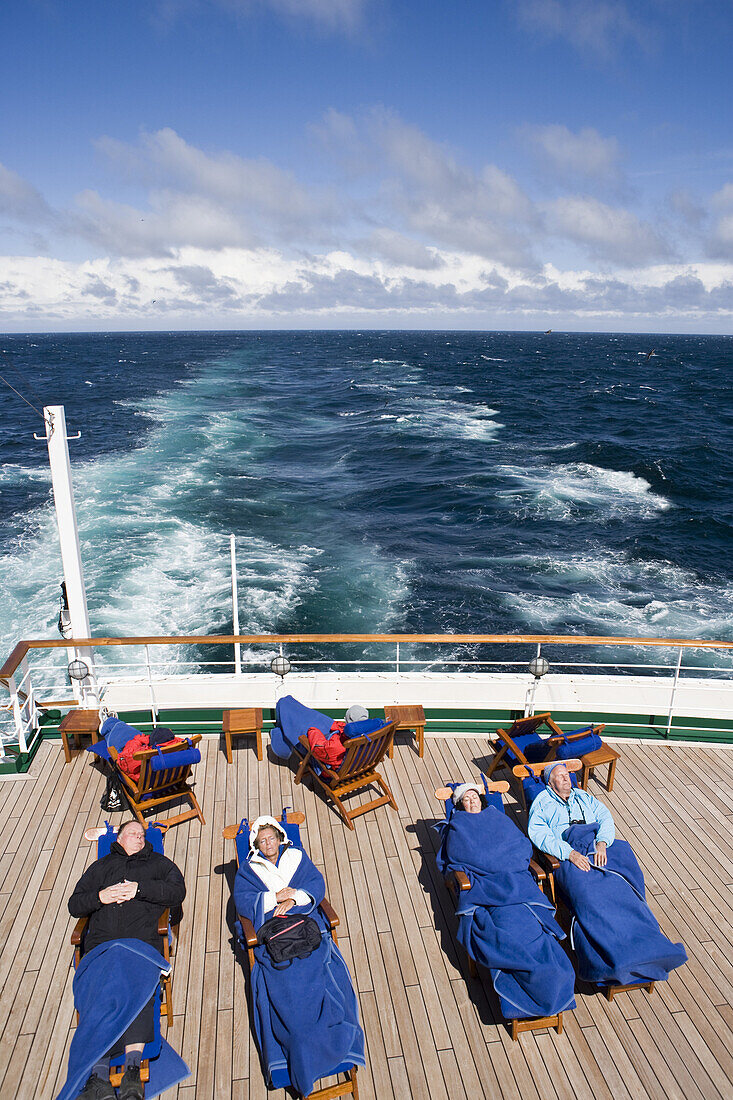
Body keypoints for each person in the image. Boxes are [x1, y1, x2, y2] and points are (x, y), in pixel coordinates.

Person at [233, 815, 365, 1096]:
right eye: (262, 840)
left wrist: (295, 898)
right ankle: (301, 1043)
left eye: (272, 838)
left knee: (324, 981)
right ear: (256, 844)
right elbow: (243, 901)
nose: (268, 844)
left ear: (280, 838)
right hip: (274, 938)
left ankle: (328, 1037)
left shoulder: (296, 857)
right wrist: (275, 897)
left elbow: (316, 884)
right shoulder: (249, 869)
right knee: (288, 992)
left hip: (307, 930)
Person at [528, 762, 687, 988]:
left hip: (597, 847)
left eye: (567, 774)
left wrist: (602, 842)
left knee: (625, 890)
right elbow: (539, 834)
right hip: (569, 856)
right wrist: (569, 853)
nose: (565, 778)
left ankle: (652, 945)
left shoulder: (583, 797)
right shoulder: (542, 803)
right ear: (550, 783)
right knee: (591, 899)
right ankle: (612, 959)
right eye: (559, 776)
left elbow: (604, 817)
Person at [64, 821, 187, 1100]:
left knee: (138, 989)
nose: (139, 838)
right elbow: (75, 904)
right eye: (133, 833)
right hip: (102, 948)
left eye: (142, 835)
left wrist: (139, 889)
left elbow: (177, 892)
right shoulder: (100, 868)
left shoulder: (159, 864)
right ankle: (100, 1077)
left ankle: (131, 1074)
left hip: (140, 946)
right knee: (100, 992)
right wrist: (100, 896)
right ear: (118, 839)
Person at [436, 782, 576, 1020]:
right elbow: (461, 855)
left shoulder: (497, 817)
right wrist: (492, 864)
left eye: (475, 798)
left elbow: (519, 845)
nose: (472, 802)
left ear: (482, 800)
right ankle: (538, 983)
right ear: (459, 805)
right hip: (488, 889)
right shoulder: (458, 826)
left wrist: (506, 863)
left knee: (535, 933)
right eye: (467, 800)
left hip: (516, 884)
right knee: (506, 932)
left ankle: (549, 978)